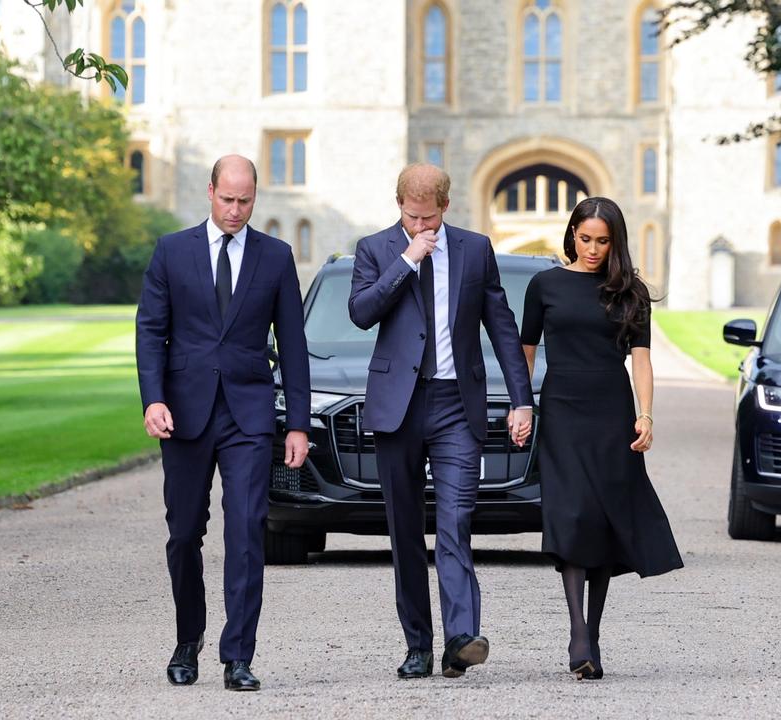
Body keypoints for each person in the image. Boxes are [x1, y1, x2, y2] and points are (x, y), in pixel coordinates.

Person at [349, 163, 534, 679]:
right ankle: (418, 646)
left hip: (457, 404)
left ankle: (461, 637)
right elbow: (361, 312)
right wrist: (408, 259)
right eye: (411, 217)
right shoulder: (376, 248)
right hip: (398, 405)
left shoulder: (475, 249)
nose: (421, 226)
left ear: (446, 207)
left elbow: (502, 326)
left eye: (429, 217)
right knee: (405, 529)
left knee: (455, 520)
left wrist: (522, 399)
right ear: (399, 206)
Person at [135, 155, 310, 691]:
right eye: (227, 199)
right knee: (184, 532)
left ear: (255, 197)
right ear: (209, 192)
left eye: (246, 201)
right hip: (184, 414)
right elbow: (150, 332)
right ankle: (188, 639)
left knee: (247, 531)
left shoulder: (276, 257)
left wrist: (298, 424)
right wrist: (153, 399)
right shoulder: (172, 251)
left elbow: (295, 346)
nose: (235, 211)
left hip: (249, 416)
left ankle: (238, 655)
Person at [519, 197, 683, 680]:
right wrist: (521, 405)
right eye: (585, 238)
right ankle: (578, 634)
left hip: (612, 413)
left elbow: (643, 359)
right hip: (562, 411)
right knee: (572, 514)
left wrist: (646, 415)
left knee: (603, 520)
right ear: (572, 234)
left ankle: (592, 633)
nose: (592, 249)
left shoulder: (628, 291)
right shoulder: (544, 284)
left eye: (602, 240)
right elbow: (525, 353)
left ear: (616, 241)